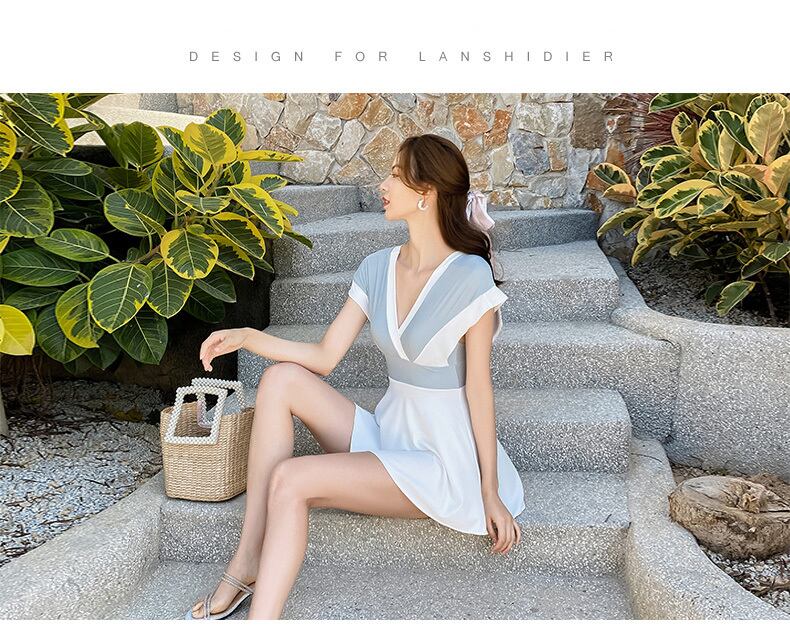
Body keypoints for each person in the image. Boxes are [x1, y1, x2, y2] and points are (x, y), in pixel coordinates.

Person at [189, 134, 526, 620]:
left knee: (291, 478)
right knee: (280, 379)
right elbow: (325, 356)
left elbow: (479, 390)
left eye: (395, 175)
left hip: (441, 463)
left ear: (426, 192)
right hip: (390, 435)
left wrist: (489, 491)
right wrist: (248, 336)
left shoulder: (470, 275)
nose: (383, 185)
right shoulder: (377, 267)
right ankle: (246, 561)